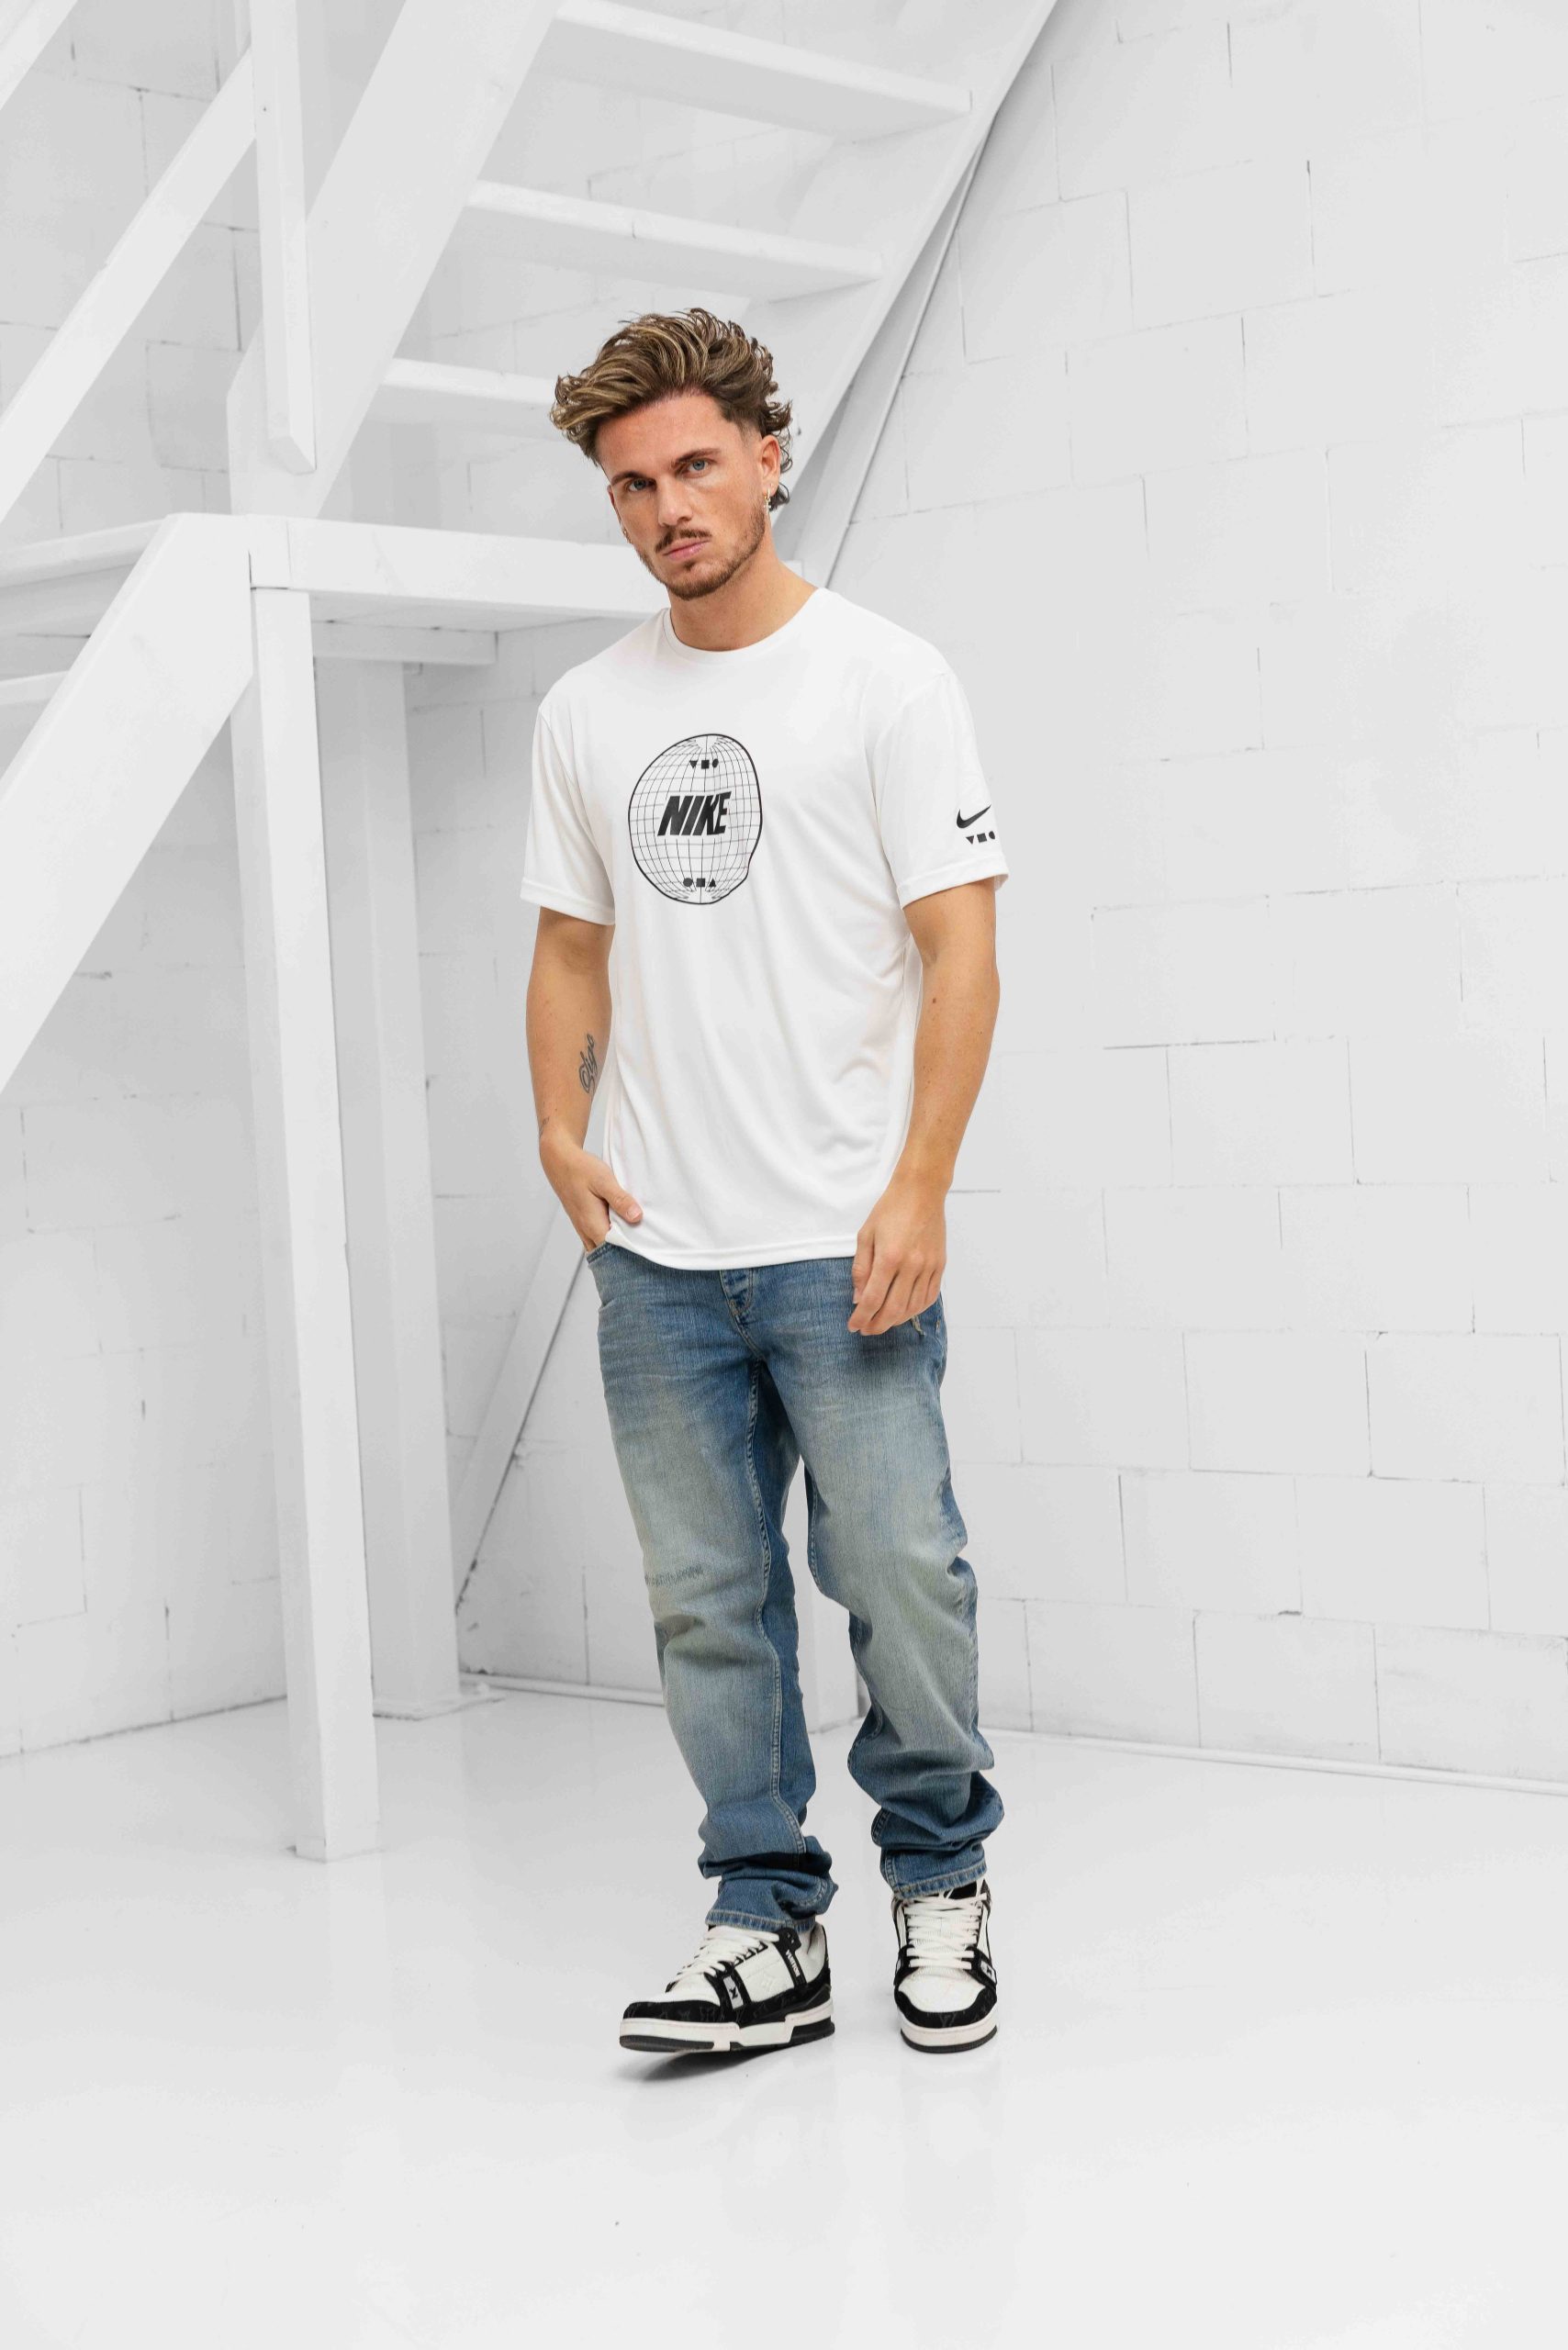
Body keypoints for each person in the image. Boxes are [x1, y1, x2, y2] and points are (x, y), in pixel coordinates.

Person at [519, 307, 1008, 2058]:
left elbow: (962, 952)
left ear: (767, 458)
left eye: (696, 466)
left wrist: (920, 1186)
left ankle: (940, 1884)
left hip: (840, 1237)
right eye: (632, 485)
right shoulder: (586, 710)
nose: (668, 507)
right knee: (707, 1605)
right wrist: (561, 1135)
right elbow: (571, 949)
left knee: (901, 1574)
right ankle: (764, 1921)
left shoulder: (886, 680)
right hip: (659, 1251)